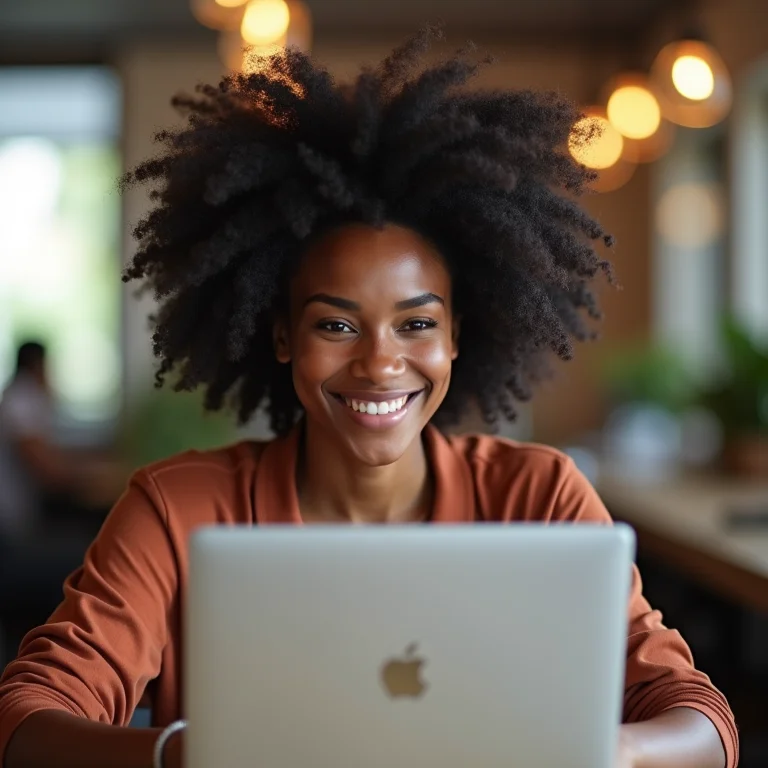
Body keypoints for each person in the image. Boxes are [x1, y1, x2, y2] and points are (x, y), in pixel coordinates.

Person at [0, 27, 737, 768]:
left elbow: (703, 724)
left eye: (416, 323)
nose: (381, 361)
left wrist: (600, 751)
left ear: (456, 338)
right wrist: (178, 755)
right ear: (283, 335)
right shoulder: (177, 509)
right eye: (336, 324)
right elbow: (25, 721)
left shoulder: (538, 494)